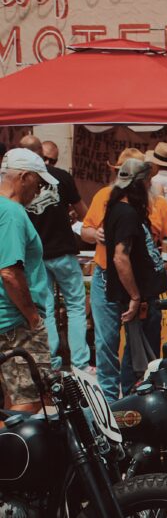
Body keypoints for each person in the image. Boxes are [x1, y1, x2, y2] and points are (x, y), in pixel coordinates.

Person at [81, 148, 167, 401]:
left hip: (135, 283)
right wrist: (135, 295)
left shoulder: (151, 204)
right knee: (111, 343)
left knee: (135, 345)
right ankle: (115, 401)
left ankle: (128, 399)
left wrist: (161, 265)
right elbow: (118, 255)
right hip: (115, 280)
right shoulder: (118, 206)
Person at [21, 137, 90, 372]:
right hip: (62, 251)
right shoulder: (62, 176)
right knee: (76, 306)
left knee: (46, 308)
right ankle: (80, 363)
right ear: (41, 152)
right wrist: (66, 215)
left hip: (36, 255)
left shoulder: (20, 181)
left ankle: (52, 360)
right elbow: (84, 214)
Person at [103, 159, 167, 386]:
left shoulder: (123, 209)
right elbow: (120, 257)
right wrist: (135, 296)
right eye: (148, 180)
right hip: (140, 299)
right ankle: (134, 410)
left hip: (144, 296)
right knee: (140, 360)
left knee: (138, 352)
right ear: (139, 183)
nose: (150, 185)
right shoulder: (126, 213)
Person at [0, 149, 53, 412]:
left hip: (7, 320)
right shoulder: (11, 212)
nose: (39, 190)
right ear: (24, 177)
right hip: (16, 323)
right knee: (29, 407)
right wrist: (33, 316)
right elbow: (9, 272)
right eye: (39, 182)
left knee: (12, 406)